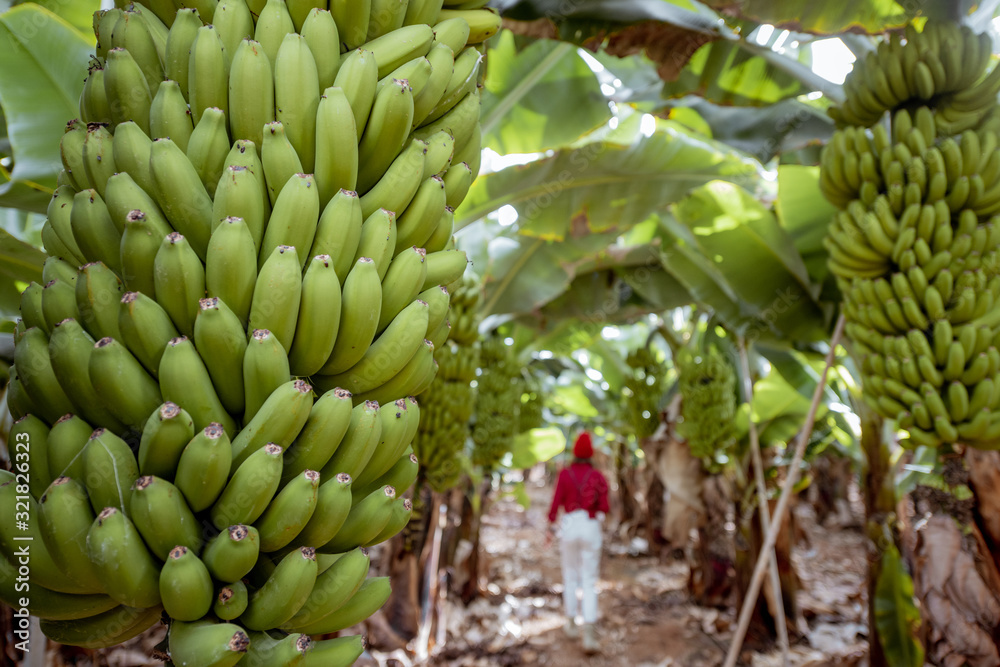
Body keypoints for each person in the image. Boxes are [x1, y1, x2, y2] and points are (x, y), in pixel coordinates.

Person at [546, 431, 609, 655]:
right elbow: (604, 506)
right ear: (591, 452)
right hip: (590, 525)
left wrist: (551, 525)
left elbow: (555, 504)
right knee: (589, 581)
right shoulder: (597, 476)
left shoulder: (565, 474)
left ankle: (571, 624)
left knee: (570, 576)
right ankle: (589, 633)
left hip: (569, 526)